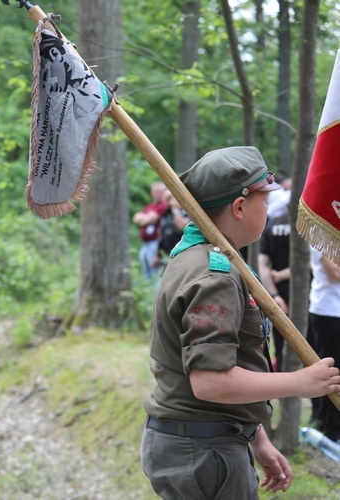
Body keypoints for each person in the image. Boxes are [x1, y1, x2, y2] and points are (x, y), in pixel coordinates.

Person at [139, 146, 340, 499]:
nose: (268, 209)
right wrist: (298, 381)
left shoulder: (200, 256)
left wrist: (257, 437)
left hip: (208, 439)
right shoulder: (212, 275)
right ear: (240, 206)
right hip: (202, 452)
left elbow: (227, 362)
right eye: (265, 200)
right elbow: (211, 382)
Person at [307, 248, 340, 442]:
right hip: (329, 311)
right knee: (331, 371)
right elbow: (334, 272)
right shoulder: (324, 228)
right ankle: (330, 428)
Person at [258, 182, 291, 372]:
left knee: (280, 342)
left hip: (279, 296)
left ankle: (284, 379)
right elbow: (313, 263)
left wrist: (274, 295)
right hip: (307, 295)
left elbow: (262, 264)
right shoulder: (307, 225)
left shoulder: (271, 224)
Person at [132, 181, 167, 280]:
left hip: (155, 243)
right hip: (145, 244)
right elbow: (136, 217)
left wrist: (144, 218)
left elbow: (149, 219)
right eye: (156, 192)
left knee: (155, 272)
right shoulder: (150, 206)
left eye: (160, 192)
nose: (158, 194)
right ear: (152, 193)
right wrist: (145, 218)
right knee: (146, 273)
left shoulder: (163, 206)